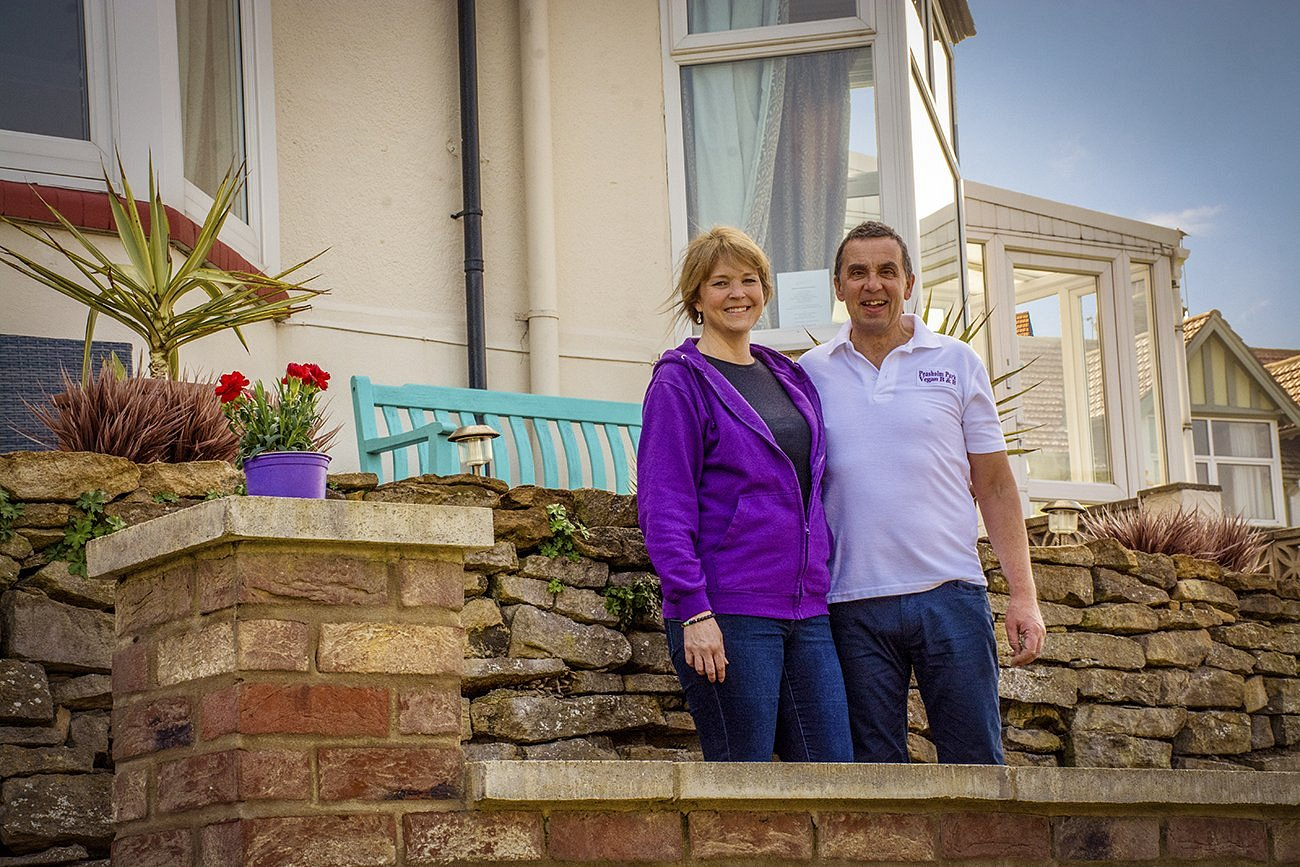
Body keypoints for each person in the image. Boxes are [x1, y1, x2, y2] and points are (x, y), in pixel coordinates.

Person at [799, 220, 1046, 765]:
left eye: (887, 271)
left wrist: (1023, 597)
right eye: (857, 272)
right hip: (851, 603)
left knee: (977, 766)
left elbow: (997, 485)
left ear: (908, 282)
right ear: (838, 287)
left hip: (951, 596)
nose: (873, 284)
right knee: (876, 778)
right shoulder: (808, 375)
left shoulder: (956, 362)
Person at [636, 226, 853, 762]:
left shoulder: (789, 377)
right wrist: (693, 612)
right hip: (728, 613)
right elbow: (664, 508)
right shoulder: (679, 383)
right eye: (720, 282)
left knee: (838, 783)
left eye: (750, 280)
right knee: (743, 786)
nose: (738, 293)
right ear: (697, 299)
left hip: (807, 612)